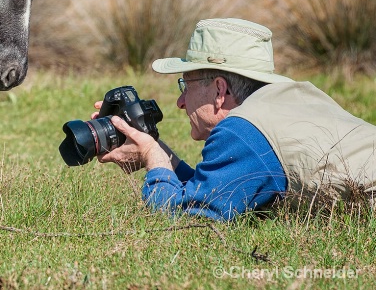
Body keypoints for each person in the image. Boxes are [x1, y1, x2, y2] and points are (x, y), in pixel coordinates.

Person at [95, 18, 376, 220]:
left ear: (220, 90)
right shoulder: (294, 99)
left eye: (186, 86)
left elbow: (184, 214)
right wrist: (162, 155)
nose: (181, 102)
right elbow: (214, 191)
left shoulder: (242, 132)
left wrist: (151, 157)